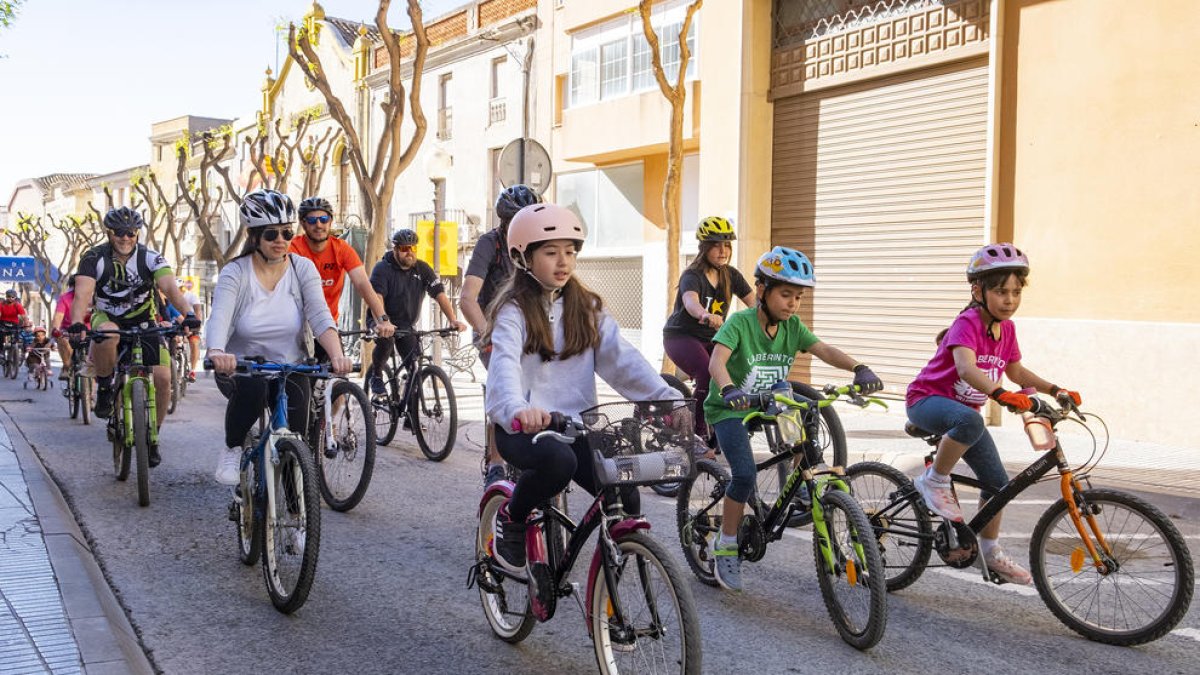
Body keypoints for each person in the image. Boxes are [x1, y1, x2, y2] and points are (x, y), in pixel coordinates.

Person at [483, 203, 685, 574]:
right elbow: (504, 367)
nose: (563, 261)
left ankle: (612, 576)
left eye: (570, 252)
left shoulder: (587, 308)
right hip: (522, 426)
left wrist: (667, 399)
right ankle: (513, 517)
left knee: (625, 490)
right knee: (560, 463)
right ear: (523, 257)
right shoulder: (513, 311)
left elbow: (622, 360)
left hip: (576, 424)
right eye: (550, 252)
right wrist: (516, 409)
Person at [704, 246, 883, 592]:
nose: (792, 303)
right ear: (762, 291)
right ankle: (725, 544)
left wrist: (859, 367)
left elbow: (824, 350)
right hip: (730, 407)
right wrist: (727, 390)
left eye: (798, 297)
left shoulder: (793, 327)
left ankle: (801, 483)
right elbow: (716, 363)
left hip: (770, 401)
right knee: (743, 475)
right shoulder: (740, 324)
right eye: (785, 294)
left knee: (804, 414)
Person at [906, 243, 1082, 586]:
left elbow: (1016, 372)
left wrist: (1054, 390)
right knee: (970, 419)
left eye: (1016, 292)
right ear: (978, 290)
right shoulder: (967, 322)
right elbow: (966, 368)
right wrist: (1000, 394)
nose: (1010, 300)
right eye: (1001, 291)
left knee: (998, 484)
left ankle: (989, 551)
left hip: (963, 417)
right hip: (926, 401)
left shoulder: (1008, 330)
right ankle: (934, 481)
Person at [205, 189, 353, 486]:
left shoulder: (302, 268)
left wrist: (337, 354)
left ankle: (296, 512)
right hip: (241, 366)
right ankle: (233, 448)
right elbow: (219, 315)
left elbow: (320, 315)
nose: (281, 241)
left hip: (290, 364)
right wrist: (217, 350)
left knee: (296, 439)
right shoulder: (236, 272)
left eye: (287, 233)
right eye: (272, 234)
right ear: (254, 236)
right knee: (254, 390)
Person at [68, 207, 201, 468]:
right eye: (119, 233)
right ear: (109, 233)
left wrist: (188, 315)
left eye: (130, 233)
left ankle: (153, 438)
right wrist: (75, 323)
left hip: (144, 321)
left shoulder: (151, 258)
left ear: (137, 233)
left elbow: (171, 289)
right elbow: (83, 294)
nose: (125, 238)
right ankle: (105, 387)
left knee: (163, 378)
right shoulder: (93, 257)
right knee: (107, 334)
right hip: (107, 317)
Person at [460, 184, 541, 485]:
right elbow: (468, 298)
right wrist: (487, 334)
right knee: (506, 384)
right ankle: (496, 462)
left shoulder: (538, 245)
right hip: (492, 330)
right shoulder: (490, 244)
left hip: (530, 330)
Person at [663, 216, 755, 447]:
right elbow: (690, 301)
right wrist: (704, 314)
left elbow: (755, 304)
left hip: (712, 338)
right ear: (704, 247)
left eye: (727, 245)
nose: (723, 251)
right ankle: (697, 430)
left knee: (734, 369)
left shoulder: (731, 275)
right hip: (681, 336)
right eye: (716, 245)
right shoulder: (692, 275)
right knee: (708, 371)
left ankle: (724, 421)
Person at [367, 228, 466, 397]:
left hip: (406, 325)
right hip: (381, 319)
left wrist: (453, 320)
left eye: (413, 248)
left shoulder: (422, 268)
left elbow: (439, 293)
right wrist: (383, 321)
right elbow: (377, 297)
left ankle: (409, 420)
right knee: (386, 340)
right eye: (405, 249)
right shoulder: (382, 268)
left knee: (415, 369)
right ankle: (376, 376)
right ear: (396, 249)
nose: (410, 253)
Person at [289, 196, 396, 351]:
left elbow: (363, 284)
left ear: (330, 221)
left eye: (323, 219)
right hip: (295, 327)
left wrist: (382, 319)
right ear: (303, 223)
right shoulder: (293, 248)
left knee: (339, 368)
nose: (319, 225)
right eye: (312, 221)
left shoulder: (341, 249)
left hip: (326, 325)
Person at [51, 275, 89, 380]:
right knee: (62, 339)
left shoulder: (92, 297)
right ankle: (66, 366)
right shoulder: (65, 298)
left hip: (88, 329)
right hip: (68, 329)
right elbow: (58, 316)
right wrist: (55, 330)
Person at [177, 278, 204, 382]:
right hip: (178, 323)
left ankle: (192, 370)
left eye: (179, 288)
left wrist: (197, 325)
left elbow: (198, 310)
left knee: (194, 343)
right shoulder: (170, 296)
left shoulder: (192, 296)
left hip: (191, 323)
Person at [0, 289, 31, 361]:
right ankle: (1, 352)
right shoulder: (2, 304)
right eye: (8, 296)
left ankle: (14, 353)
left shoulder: (18, 305)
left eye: (12, 297)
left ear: (15, 297)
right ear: (6, 297)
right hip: (3, 323)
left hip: (14, 325)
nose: (10, 298)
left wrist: (27, 325)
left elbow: (24, 317)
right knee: (1, 337)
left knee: (15, 341)